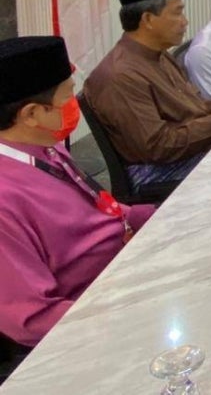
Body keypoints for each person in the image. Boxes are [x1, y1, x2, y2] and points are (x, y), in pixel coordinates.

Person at [0, 36, 156, 347]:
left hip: (126, 270)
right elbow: (33, 319)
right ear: (30, 114)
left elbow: (101, 209)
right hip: (94, 322)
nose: (76, 104)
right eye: (68, 96)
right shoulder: (6, 196)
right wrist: (132, 314)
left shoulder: (45, 148)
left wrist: (166, 215)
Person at [83, 0, 211, 190]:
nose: (185, 21)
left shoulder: (159, 54)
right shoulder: (120, 75)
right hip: (156, 173)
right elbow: (157, 147)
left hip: (188, 152)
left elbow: (192, 108)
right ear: (148, 19)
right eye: (178, 13)